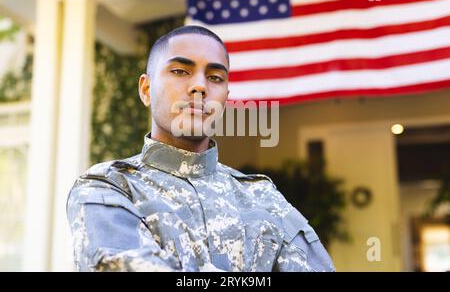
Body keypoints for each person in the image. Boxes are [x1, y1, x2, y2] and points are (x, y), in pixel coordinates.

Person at [66, 25, 335, 272]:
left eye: (215, 77)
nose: (200, 86)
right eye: (180, 71)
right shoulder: (108, 186)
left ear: (226, 98)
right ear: (147, 89)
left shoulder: (263, 196)